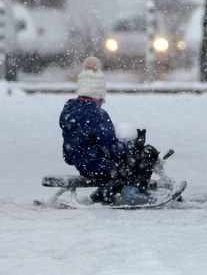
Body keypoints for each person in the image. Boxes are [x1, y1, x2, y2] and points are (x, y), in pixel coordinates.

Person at [59, 57, 159, 205]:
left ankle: (105, 193)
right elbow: (112, 148)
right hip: (99, 166)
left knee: (122, 165)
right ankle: (131, 191)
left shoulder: (69, 112)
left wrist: (82, 157)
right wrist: (133, 145)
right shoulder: (97, 115)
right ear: (99, 94)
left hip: (84, 166)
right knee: (147, 154)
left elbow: (67, 156)